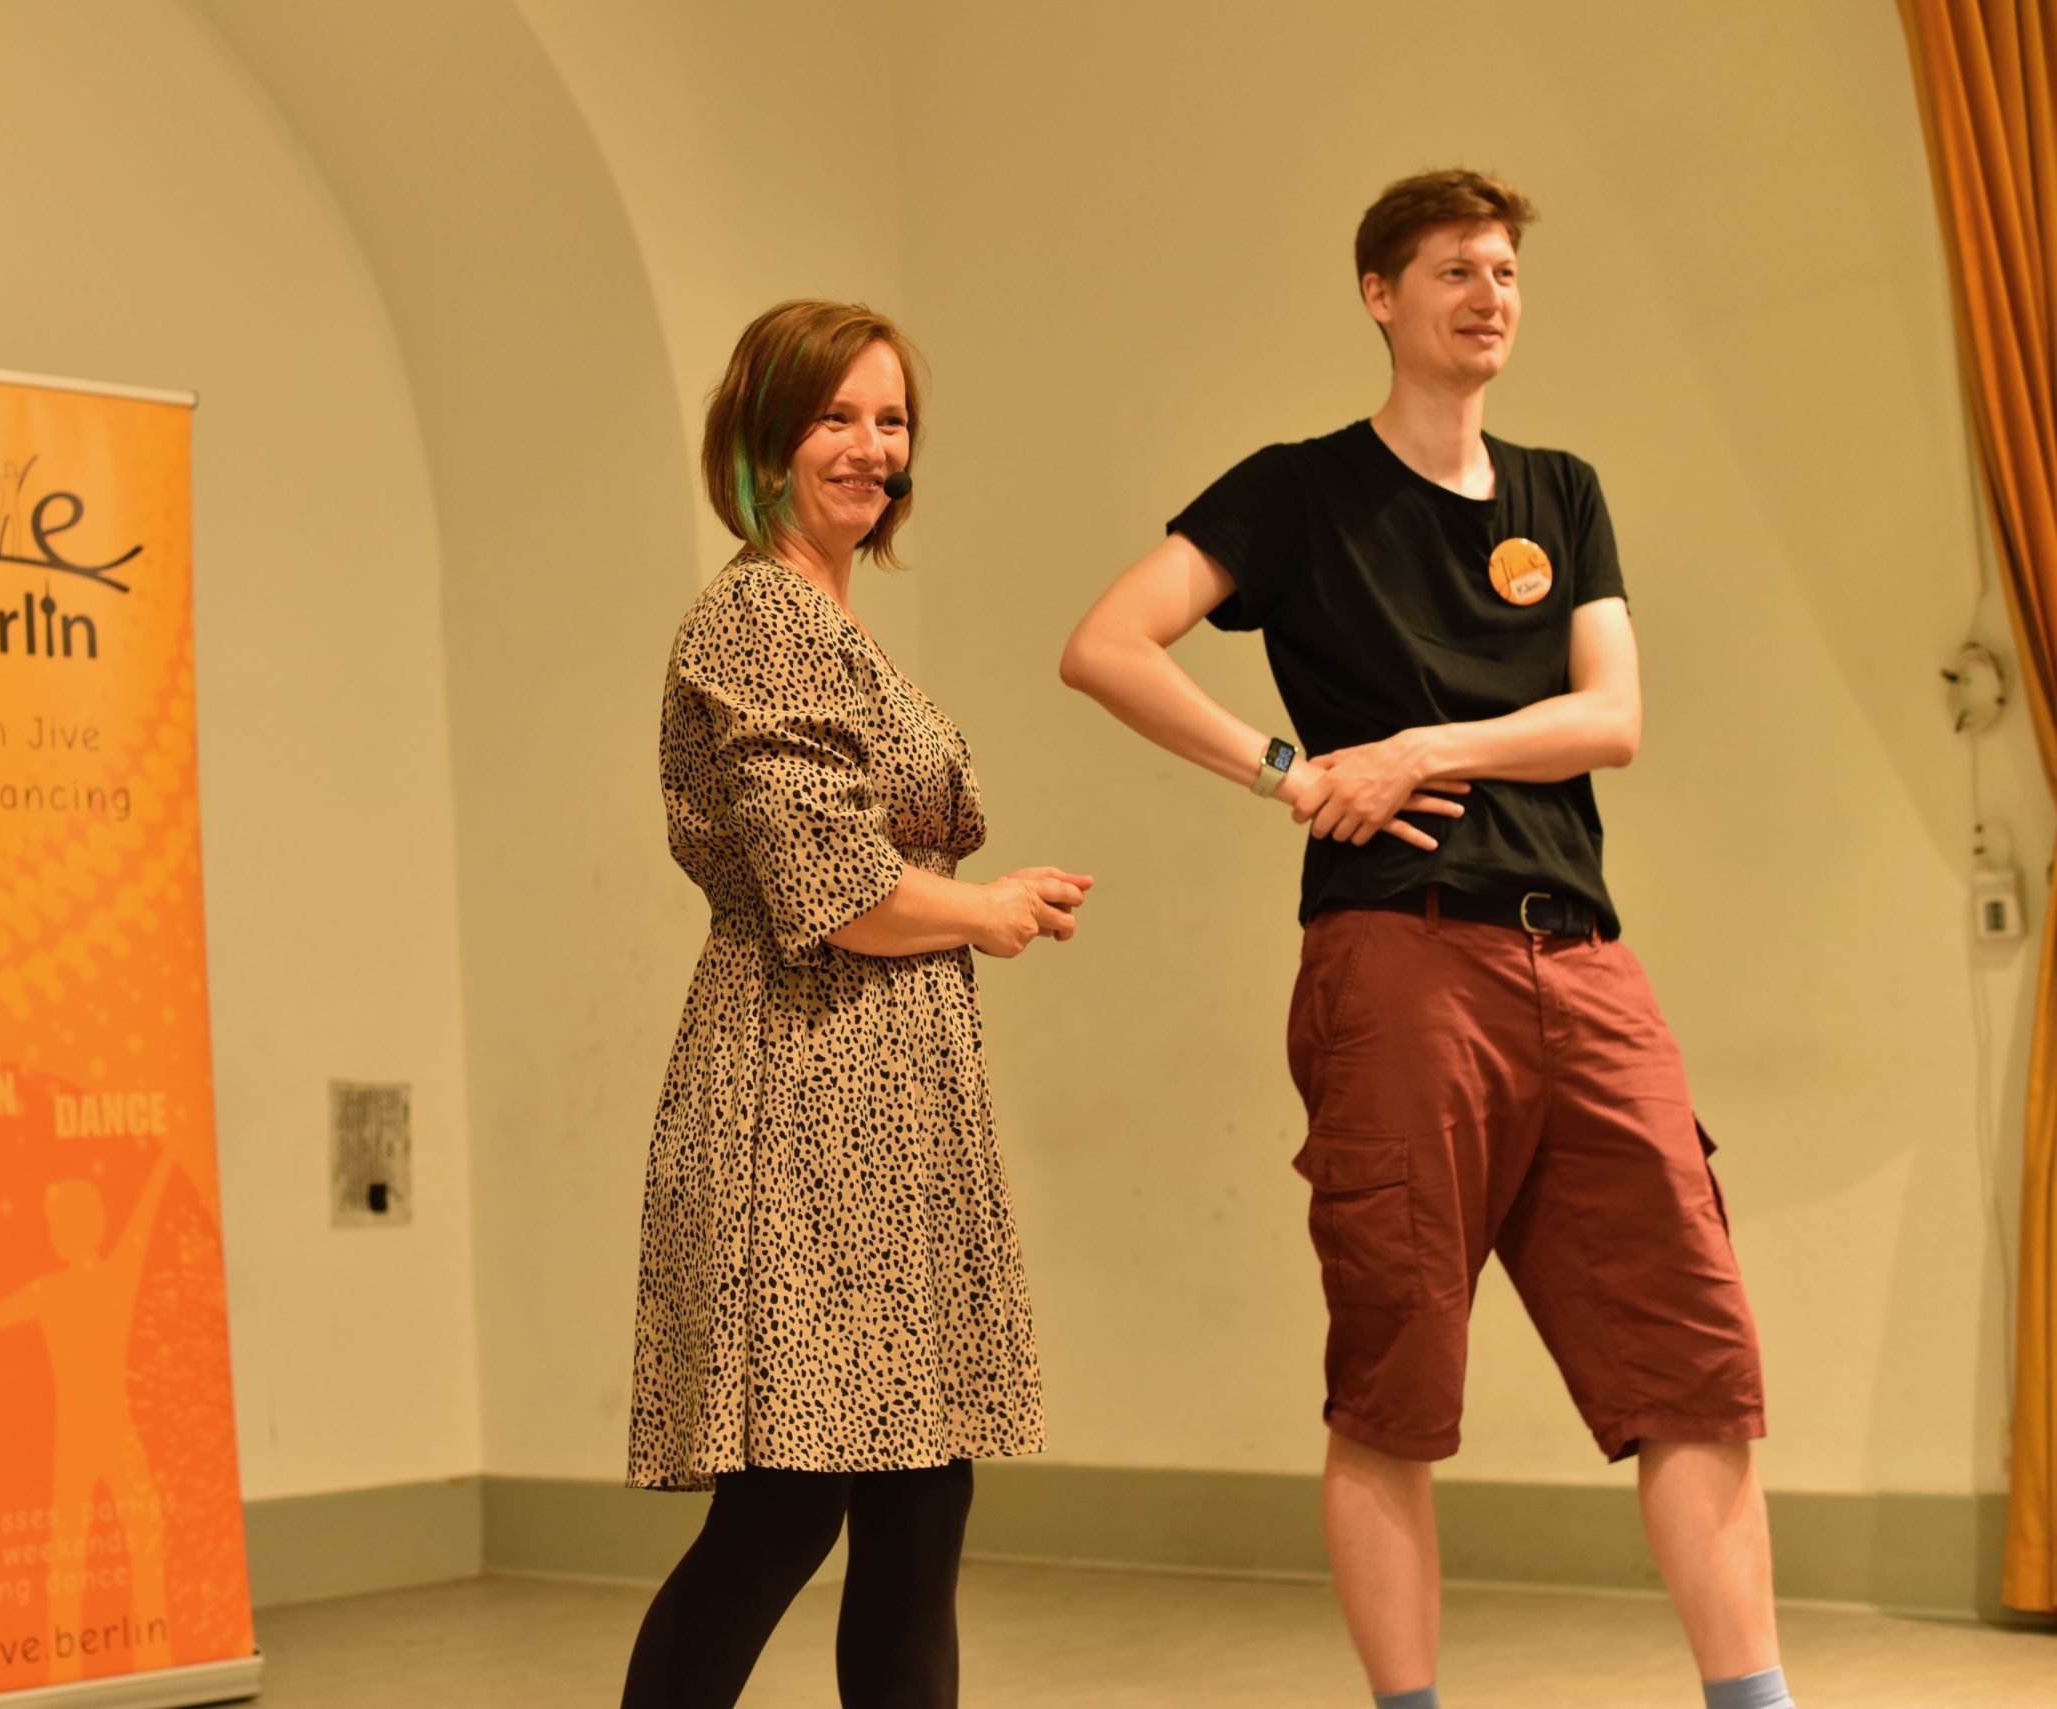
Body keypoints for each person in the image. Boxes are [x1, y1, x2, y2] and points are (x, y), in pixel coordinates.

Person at [1058, 170, 1793, 1709]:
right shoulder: (1298, 489)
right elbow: (1107, 643)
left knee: (1698, 1361)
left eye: (1505, 270)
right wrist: (1285, 769)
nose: (1488, 295)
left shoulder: (1559, 492)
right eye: (1454, 269)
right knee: (1395, 1374)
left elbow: (1612, 716)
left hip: (1582, 959)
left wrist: (1419, 749)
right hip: (1398, 955)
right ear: (1379, 296)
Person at [621, 298, 1091, 1709]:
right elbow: (828, 885)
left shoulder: (829, 616)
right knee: (785, 1503)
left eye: (892, 422)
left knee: (920, 1495)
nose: (872, 448)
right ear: (764, 435)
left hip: (888, 1098)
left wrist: (975, 899)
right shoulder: (759, 615)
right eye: (837, 416)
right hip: (804, 1091)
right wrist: (985, 909)